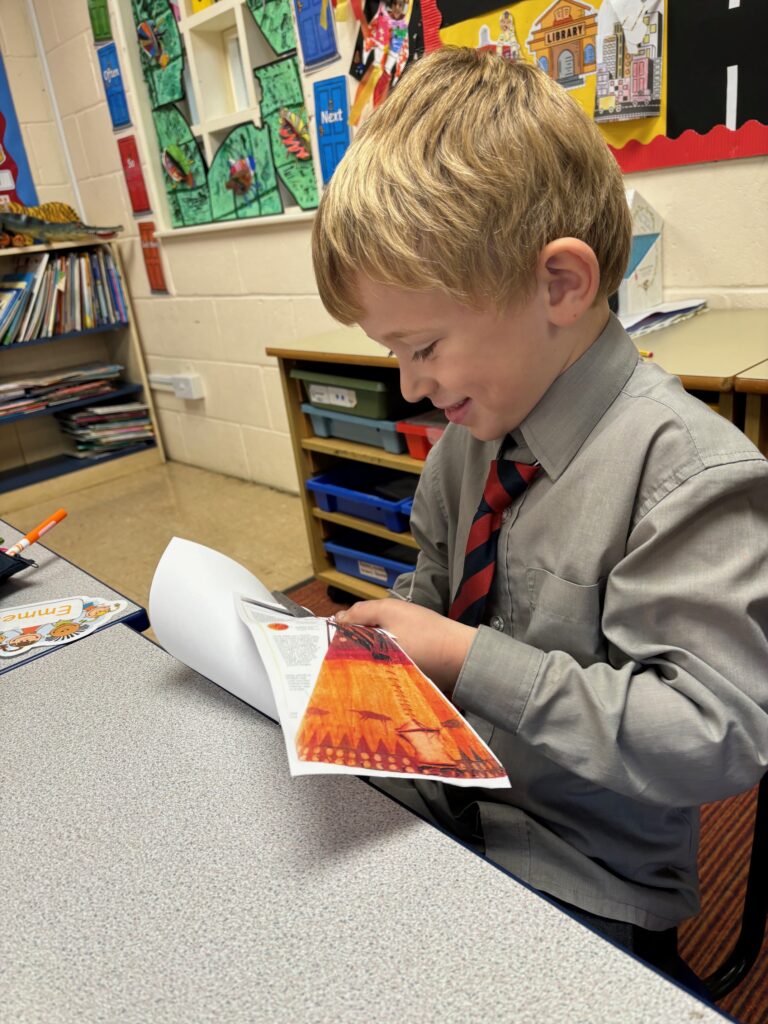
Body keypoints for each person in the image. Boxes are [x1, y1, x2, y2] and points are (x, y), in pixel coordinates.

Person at [311, 46, 768, 990]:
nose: (409, 383)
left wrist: (461, 656)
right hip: (442, 800)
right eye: (393, 352)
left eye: (424, 344)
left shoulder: (685, 475)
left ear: (559, 285)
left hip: (583, 871)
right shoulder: (464, 448)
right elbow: (433, 599)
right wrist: (369, 651)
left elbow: (717, 737)